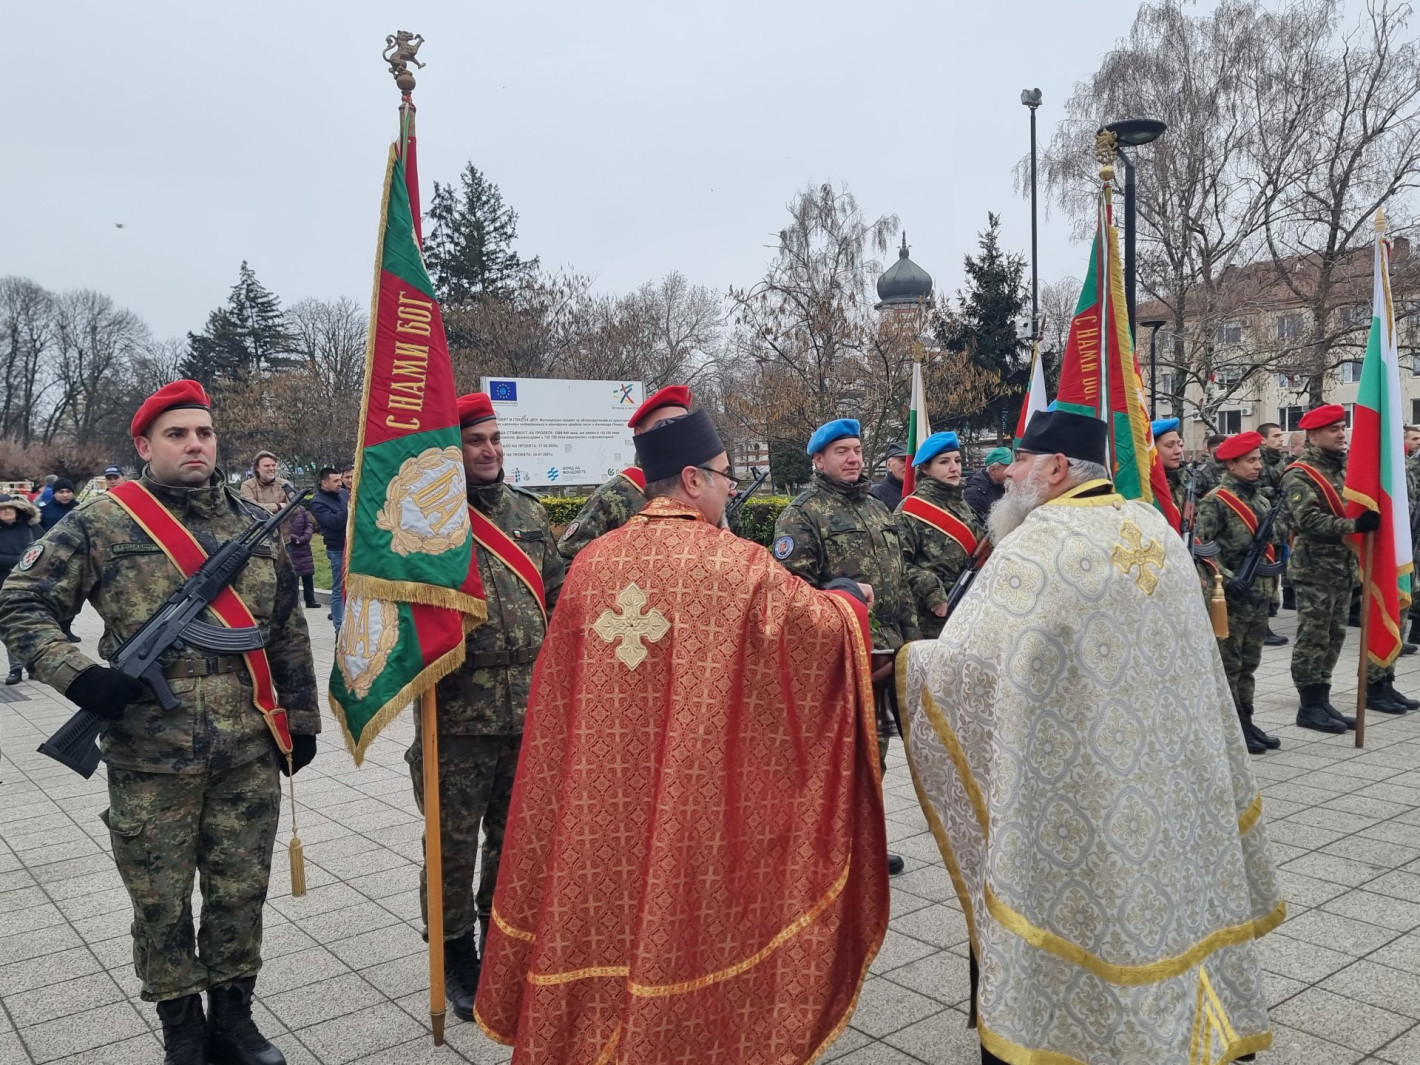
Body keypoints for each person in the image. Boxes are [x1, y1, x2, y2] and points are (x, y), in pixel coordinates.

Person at [475, 408, 887, 1065]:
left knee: (606, 915)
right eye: (726, 477)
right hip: (687, 807)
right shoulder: (739, 568)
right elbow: (819, 639)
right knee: (684, 923)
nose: (731, 489)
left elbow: (559, 706)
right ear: (692, 478)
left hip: (599, 806)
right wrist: (850, 603)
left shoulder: (589, 568)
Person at [897, 409, 1283, 1065]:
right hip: (1169, 775)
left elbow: (965, 661)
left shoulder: (1037, 547)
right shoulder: (1154, 528)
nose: (1007, 473)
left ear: (1054, 468)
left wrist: (911, 661)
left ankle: (1094, 1033)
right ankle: (1199, 1028)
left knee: (1092, 902)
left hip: (1086, 786)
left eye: (1019, 460)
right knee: (1168, 901)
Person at [0, 379, 320, 1065]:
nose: (194, 443)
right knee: (161, 901)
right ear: (144, 444)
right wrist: (77, 673)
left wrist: (301, 719)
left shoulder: (249, 522)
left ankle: (235, 1021)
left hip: (247, 752)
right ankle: (183, 1028)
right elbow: (21, 599)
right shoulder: (106, 520)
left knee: (240, 893)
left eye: (203, 432)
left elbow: (287, 628)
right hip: (150, 758)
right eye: (177, 433)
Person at [410, 392, 565, 1022]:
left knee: (514, 843)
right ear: (452, 449)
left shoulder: (527, 513)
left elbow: (558, 596)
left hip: (527, 711)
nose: (490, 450)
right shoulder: (422, 523)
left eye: (496, 439)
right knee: (451, 845)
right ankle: (453, 958)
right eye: (476, 440)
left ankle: (503, 944)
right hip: (454, 716)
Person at [772, 417, 917, 875]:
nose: (853, 458)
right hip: (840, 661)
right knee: (837, 760)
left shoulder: (877, 509)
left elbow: (900, 585)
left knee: (875, 758)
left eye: (856, 449)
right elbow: (792, 597)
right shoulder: (802, 514)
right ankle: (829, 849)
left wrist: (910, 647)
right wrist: (845, 592)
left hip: (885, 656)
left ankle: (864, 843)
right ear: (818, 459)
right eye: (841, 451)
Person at [1281, 404, 1392, 730]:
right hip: (1314, 569)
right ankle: (1309, 705)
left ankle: (1323, 699)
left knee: (1335, 636)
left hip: (1342, 567)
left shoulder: (1345, 470)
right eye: (1333, 429)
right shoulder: (1300, 474)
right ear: (1313, 436)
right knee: (1313, 637)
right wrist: (1354, 524)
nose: (1341, 434)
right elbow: (1308, 521)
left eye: (1343, 427)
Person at [1195, 431, 1285, 754]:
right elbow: (1203, 547)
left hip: (1258, 596)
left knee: (1250, 663)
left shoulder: (1260, 500)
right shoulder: (1215, 502)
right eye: (1249, 461)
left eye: (1258, 459)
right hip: (1230, 598)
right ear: (1230, 464)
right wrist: (1229, 577)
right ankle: (1232, 728)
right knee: (1229, 665)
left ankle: (1246, 719)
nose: (1257, 466)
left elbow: (1274, 542)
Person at [556, 385, 691, 561]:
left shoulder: (699, 487)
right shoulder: (613, 496)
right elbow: (567, 562)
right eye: (664, 425)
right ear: (640, 434)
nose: (675, 434)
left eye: (683, 425)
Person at [895, 431, 983, 639]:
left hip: (971, 610)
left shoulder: (962, 505)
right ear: (925, 469)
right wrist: (930, 588)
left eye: (958, 460)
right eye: (944, 462)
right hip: (933, 620)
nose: (954, 468)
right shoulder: (910, 510)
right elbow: (896, 565)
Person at [0, 493, 41, 683]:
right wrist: (20, 561)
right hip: (4, 586)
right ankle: (15, 668)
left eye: (10, 507)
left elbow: (46, 549)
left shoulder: (31, 528)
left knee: (36, 627)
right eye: (2, 508)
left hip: (34, 587)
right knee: (11, 628)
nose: (6, 510)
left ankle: (36, 666)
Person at [309, 466, 347, 634]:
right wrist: (349, 507)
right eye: (336, 481)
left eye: (340, 480)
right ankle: (339, 627)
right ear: (324, 483)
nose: (340, 483)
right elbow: (335, 523)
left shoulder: (344, 494)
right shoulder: (317, 502)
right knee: (339, 588)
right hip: (337, 549)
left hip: (353, 547)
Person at [963, 446, 1011, 522]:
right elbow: (977, 528)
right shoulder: (974, 494)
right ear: (993, 470)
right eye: (1009, 467)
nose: (1012, 471)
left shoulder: (1006, 485)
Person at [286, 501, 318, 609]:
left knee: (308, 574)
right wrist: (294, 538)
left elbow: (308, 525)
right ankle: (294, 602)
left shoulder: (301, 509)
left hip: (304, 547)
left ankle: (310, 600)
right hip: (290, 547)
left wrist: (305, 537)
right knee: (293, 576)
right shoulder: (283, 510)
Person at [1152, 417, 1187, 512]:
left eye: (1180, 445)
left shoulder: (1191, 481)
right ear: (1152, 450)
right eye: (1170, 445)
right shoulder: (1144, 488)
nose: (1178, 451)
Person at [868, 440, 907, 511]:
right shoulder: (878, 493)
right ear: (889, 465)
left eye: (912, 461)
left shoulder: (918, 490)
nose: (908, 465)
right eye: (903, 460)